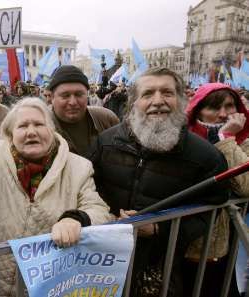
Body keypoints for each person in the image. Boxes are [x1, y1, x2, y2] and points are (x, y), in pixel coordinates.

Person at [0, 50, 111, 296]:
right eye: (23, 126)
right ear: (11, 135)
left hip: (50, 282)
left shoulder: (78, 167)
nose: (31, 131)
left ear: (51, 130)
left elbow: (98, 210)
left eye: (38, 124)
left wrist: (76, 219)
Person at [91, 68, 229, 296]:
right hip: (105, 257)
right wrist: (106, 216)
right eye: (148, 94)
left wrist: (159, 228)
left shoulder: (206, 157)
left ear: (182, 100)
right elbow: (88, 191)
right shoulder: (106, 143)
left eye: (167, 93)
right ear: (134, 103)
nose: (158, 101)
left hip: (162, 266)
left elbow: (210, 210)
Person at [184, 82, 247, 297]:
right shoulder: (181, 138)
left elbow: (246, 186)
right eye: (213, 107)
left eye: (229, 106)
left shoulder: (244, 141)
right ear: (198, 110)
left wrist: (226, 139)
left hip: (220, 248)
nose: (223, 114)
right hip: (181, 246)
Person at [47, 65, 120, 158]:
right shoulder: (40, 126)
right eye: (65, 95)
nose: (73, 102)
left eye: (79, 94)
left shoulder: (106, 119)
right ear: (52, 97)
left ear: (87, 95)